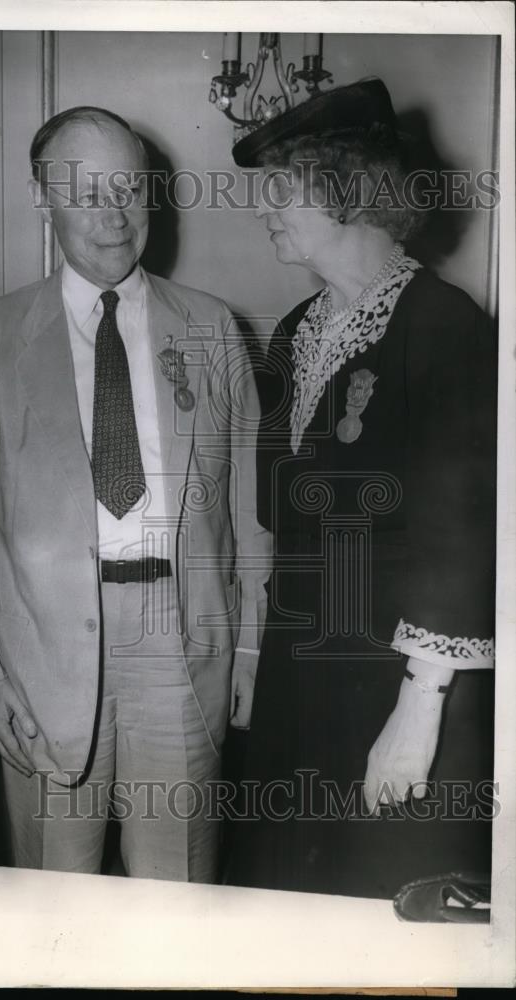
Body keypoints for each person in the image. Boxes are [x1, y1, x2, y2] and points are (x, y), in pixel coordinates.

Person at [0, 106, 269, 882]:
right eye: (86, 192)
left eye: (130, 188)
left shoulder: (214, 329)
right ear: (40, 198)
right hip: (39, 657)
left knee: (178, 897)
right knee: (52, 902)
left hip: (182, 644)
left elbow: (252, 509)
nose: (115, 215)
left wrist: (252, 644)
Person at [226, 79, 497, 898]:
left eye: (280, 191)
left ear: (346, 189)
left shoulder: (444, 329)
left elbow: (464, 535)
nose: (262, 211)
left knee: (380, 903)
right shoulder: (294, 331)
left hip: (398, 682)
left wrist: (418, 713)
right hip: (300, 671)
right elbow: (276, 514)